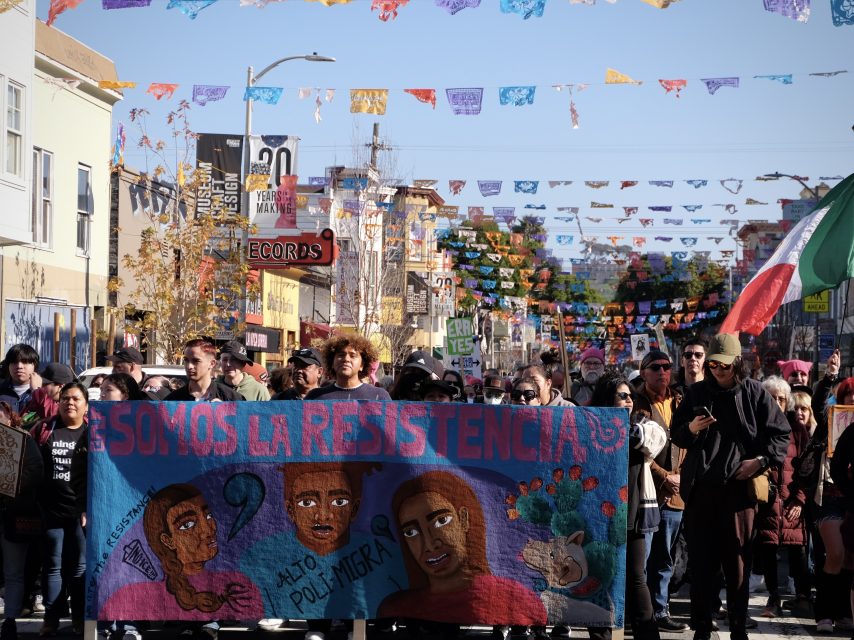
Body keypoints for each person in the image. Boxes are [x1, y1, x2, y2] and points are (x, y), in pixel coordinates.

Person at [670, 333, 791, 640]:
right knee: (701, 565)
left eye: (724, 365)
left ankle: (738, 626)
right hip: (701, 491)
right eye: (712, 364)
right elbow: (678, 436)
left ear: (737, 363)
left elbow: (781, 435)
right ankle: (702, 627)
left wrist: (759, 462)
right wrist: (691, 429)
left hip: (739, 494)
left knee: (737, 564)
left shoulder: (754, 393)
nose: (718, 370)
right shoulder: (696, 393)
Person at [378, 471, 546, 625]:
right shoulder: (395, 611)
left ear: (464, 519)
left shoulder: (518, 600)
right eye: (411, 532)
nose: (429, 544)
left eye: (441, 521)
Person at [102, 483, 263, 621]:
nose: (208, 530)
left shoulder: (239, 583)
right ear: (167, 540)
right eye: (188, 525)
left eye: (208, 516)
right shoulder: (135, 592)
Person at [588, 372, 668, 640]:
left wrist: (623, 428)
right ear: (606, 398)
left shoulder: (641, 427)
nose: (629, 401)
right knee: (599, 579)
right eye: (622, 396)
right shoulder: (586, 427)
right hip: (597, 514)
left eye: (631, 396)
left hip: (630, 515)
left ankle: (647, 634)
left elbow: (656, 441)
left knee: (636, 578)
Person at [30, 382, 90, 637]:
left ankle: (78, 618)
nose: (70, 403)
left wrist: (89, 507)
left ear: (86, 404)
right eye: (65, 398)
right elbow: (29, 463)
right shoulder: (44, 428)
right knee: (53, 565)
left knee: (79, 567)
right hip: (50, 510)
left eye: (76, 399)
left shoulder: (93, 432)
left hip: (81, 513)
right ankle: (50, 621)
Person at [632, 350, 686, 633]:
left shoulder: (680, 401)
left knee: (665, 556)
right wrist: (665, 476)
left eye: (667, 367)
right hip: (647, 489)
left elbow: (687, 441)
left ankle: (661, 610)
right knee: (643, 559)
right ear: (644, 373)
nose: (663, 372)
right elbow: (638, 449)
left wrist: (679, 476)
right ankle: (642, 613)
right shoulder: (635, 401)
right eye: (656, 367)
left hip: (676, 491)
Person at [755, 382, 812, 618]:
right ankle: (773, 597)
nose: (776, 402)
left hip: (792, 499)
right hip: (767, 499)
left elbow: (808, 466)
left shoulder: (798, 429)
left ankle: (803, 597)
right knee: (768, 550)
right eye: (772, 397)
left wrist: (799, 499)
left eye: (781, 398)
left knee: (798, 549)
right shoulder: (757, 426)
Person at [808, 353, 854, 634]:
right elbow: (818, 405)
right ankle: (824, 612)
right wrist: (830, 376)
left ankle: (843, 611)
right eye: (848, 394)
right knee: (835, 552)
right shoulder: (832, 419)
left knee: (850, 556)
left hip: (852, 500)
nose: (852, 399)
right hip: (829, 495)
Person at [0, 402, 44, 640]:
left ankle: (10, 619)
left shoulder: (24, 441)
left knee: (13, 571)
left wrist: (11, 487)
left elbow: (35, 471)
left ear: (10, 419)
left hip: (13, 513)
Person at [307, 335, 391, 401]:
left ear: (362, 365)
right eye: (341, 355)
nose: (346, 359)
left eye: (353, 356)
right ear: (332, 362)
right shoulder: (315, 397)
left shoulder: (379, 396)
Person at [165, 339, 244, 402]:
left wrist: (224, 412)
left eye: (196, 361)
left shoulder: (231, 398)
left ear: (212, 363)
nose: (189, 366)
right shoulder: (172, 400)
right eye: (186, 360)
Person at [0, 344, 42, 414]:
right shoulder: (1, 389)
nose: (19, 366)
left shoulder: (46, 393)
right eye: (14, 362)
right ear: (8, 366)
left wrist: (37, 391)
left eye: (25, 362)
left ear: (34, 365)